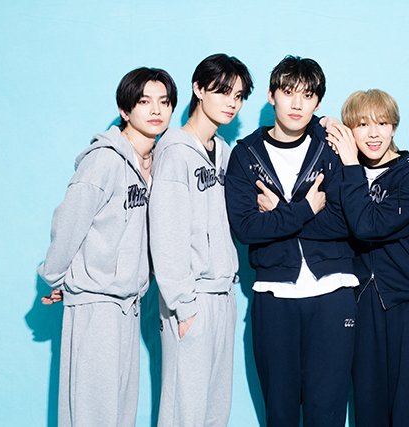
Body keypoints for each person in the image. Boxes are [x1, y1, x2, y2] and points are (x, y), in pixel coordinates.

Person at [37, 67, 177, 426]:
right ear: (125, 110)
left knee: (119, 412)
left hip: (129, 303)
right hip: (96, 302)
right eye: (144, 101)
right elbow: (69, 222)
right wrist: (55, 277)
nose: (156, 110)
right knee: (93, 412)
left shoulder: (156, 164)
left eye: (164, 102)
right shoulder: (103, 161)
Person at [225, 55, 357, 427]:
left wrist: (280, 213)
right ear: (271, 96)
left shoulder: (330, 147)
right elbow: (246, 228)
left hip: (333, 291)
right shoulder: (245, 155)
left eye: (308, 95)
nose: (297, 104)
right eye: (288, 92)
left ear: (318, 103)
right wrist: (305, 209)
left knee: (327, 411)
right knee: (280, 412)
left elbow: (345, 221)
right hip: (274, 294)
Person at [148, 53, 253, 427]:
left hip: (223, 294)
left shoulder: (224, 152)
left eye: (238, 96)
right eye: (223, 91)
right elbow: (165, 232)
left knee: (214, 410)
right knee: (184, 411)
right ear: (198, 88)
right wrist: (183, 305)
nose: (231, 103)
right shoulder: (174, 151)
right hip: (191, 299)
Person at [326, 89, 409, 427]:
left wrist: (349, 164)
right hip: (364, 301)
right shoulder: (345, 173)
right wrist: (324, 124)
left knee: (408, 410)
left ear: (394, 127)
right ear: (349, 131)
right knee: (368, 409)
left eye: (382, 123)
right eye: (362, 125)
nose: (373, 134)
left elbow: (368, 226)